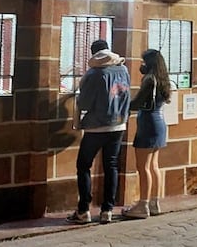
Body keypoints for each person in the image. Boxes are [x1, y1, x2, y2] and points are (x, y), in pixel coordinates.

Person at [67, 39, 131, 225]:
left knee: (83, 165)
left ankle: (84, 210)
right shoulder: (123, 69)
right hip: (118, 125)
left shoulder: (94, 73)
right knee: (111, 166)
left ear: (93, 53)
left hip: (96, 126)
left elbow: (85, 103)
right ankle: (107, 210)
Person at [123, 49, 172, 219]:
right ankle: (154, 202)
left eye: (143, 62)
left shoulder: (150, 80)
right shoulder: (163, 79)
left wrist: (122, 103)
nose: (141, 65)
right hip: (159, 122)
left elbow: (138, 103)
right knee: (154, 166)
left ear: (150, 64)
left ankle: (143, 204)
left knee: (142, 167)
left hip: (148, 123)